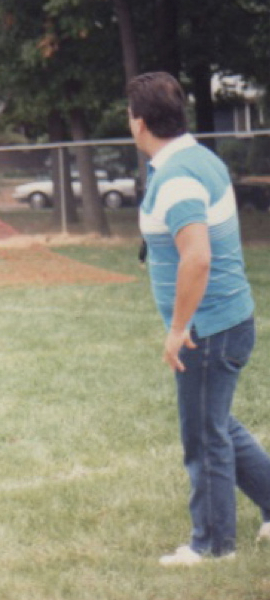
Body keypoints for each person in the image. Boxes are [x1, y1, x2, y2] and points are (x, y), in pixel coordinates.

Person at [126, 71, 270, 566]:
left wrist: (177, 328)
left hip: (208, 330)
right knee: (217, 424)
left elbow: (198, 257)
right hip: (229, 320)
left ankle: (212, 546)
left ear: (140, 122)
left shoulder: (179, 176)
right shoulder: (199, 158)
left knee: (204, 435)